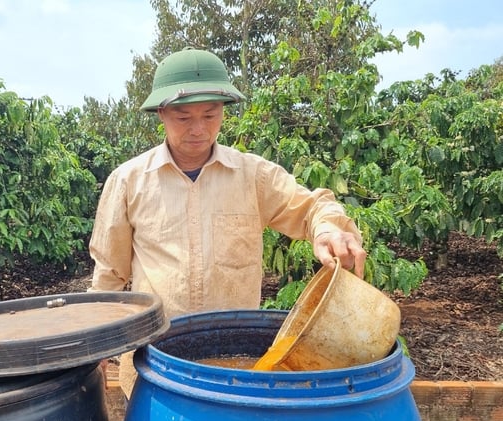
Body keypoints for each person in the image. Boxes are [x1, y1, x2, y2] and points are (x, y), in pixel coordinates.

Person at [88, 47, 366, 398]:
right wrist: (94, 345)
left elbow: (311, 206)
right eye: (183, 117)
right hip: (154, 363)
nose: (198, 129)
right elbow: (109, 275)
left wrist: (327, 229)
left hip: (235, 366)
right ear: (161, 113)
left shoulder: (252, 176)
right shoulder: (129, 181)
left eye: (210, 114)